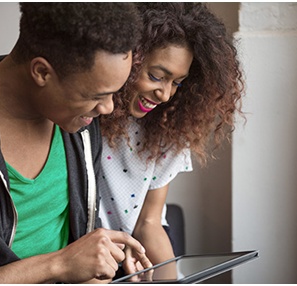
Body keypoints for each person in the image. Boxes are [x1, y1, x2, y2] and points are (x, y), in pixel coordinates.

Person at [0, 3, 152, 284]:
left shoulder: (79, 122)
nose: (107, 108)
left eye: (113, 93)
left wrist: (98, 265)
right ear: (42, 72)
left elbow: (67, 243)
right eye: (96, 95)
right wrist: (57, 266)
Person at [99, 2, 245, 276]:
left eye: (177, 82)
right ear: (129, 58)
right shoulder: (84, 114)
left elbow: (149, 222)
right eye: (156, 76)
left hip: (141, 249)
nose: (165, 94)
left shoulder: (166, 130)